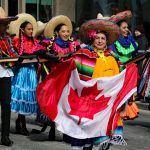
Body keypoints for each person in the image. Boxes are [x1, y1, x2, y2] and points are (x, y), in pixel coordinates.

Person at [34, 15, 80, 141]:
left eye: (67, 31)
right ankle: (53, 129)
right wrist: (52, 57)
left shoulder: (74, 44)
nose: (66, 33)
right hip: (54, 77)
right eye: (63, 31)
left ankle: (66, 132)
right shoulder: (50, 43)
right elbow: (37, 51)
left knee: (67, 105)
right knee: (55, 104)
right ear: (57, 32)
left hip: (68, 78)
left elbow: (82, 53)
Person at [9, 13, 44, 136]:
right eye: (29, 29)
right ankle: (22, 123)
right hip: (21, 72)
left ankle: (20, 121)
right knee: (22, 97)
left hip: (31, 72)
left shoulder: (35, 42)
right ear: (22, 30)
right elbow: (13, 55)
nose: (31, 31)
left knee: (27, 98)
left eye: (32, 29)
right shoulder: (17, 41)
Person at [109, 10, 139, 120]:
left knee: (128, 93)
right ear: (118, 29)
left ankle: (126, 112)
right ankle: (116, 116)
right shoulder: (114, 41)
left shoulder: (130, 40)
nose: (126, 30)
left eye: (127, 27)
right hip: (119, 70)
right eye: (124, 28)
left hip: (129, 70)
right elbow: (113, 56)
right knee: (119, 94)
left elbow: (135, 52)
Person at [0, 7, 18, 146]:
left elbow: (13, 55)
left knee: (6, 103)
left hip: (4, 73)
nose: (6, 26)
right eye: (3, 23)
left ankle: (5, 135)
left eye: (6, 23)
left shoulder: (7, 39)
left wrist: (17, 58)